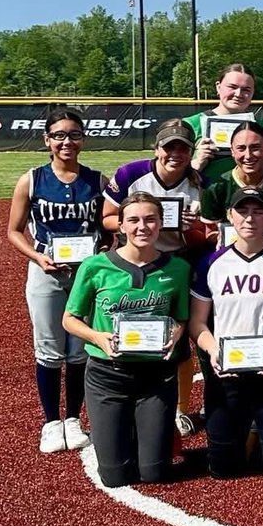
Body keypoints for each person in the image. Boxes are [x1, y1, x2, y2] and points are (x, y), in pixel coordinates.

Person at [61, 193, 191, 487]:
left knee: (155, 473)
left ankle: (144, 430)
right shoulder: (95, 266)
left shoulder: (178, 269)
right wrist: (97, 336)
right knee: (114, 477)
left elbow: (182, 317)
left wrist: (177, 333)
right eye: (133, 220)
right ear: (120, 225)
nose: (142, 227)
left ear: (161, 223)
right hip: (108, 375)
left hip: (156, 377)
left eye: (150, 219)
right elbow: (69, 319)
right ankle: (122, 430)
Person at [189, 187, 263, 478]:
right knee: (223, 470)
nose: (250, 218)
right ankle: (252, 430)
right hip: (226, 371)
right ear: (230, 216)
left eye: (258, 211)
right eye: (242, 211)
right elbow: (197, 323)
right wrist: (214, 352)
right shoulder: (211, 264)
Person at [7, 108, 106, 454]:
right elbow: (13, 231)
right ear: (47, 140)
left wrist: (101, 255)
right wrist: (37, 256)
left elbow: (106, 228)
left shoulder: (97, 181)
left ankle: (73, 419)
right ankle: (51, 422)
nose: (67, 141)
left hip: (85, 275)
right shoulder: (32, 179)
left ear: (83, 138)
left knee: (78, 348)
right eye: (59, 135)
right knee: (48, 347)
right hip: (46, 271)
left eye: (74, 134)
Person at [102, 118, 207, 437]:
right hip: (134, 262)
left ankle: (181, 410)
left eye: (183, 148)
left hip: (178, 263)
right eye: (169, 146)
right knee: (135, 331)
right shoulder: (131, 174)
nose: (175, 153)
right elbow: (106, 218)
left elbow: (209, 234)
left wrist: (192, 228)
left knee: (182, 335)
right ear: (157, 147)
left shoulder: (199, 182)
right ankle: (135, 403)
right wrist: (136, 226)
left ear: (191, 152)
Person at [200, 121, 263, 245]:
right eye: (241, 148)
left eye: (255, 148)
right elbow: (210, 233)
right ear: (232, 151)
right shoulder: (216, 185)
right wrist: (236, 239)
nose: (248, 155)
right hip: (229, 249)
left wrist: (262, 236)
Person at [184, 63, 263, 180]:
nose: (238, 94)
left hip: (250, 196)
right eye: (232, 87)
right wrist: (196, 163)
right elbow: (168, 174)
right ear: (218, 87)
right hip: (202, 196)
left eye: (246, 89)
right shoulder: (191, 125)